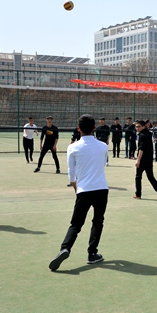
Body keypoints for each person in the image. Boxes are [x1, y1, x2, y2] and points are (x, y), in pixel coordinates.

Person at [48, 114, 108, 271]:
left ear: (78, 129)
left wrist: (77, 189)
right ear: (94, 128)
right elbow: (103, 164)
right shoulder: (103, 146)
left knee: (76, 224)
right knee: (98, 221)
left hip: (84, 190)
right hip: (101, 189)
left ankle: (65, 248)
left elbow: (71, 174)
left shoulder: (72, 147)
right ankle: (92, 253)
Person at [133, 119, 157, 200]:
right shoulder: (149, 133)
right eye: (136, 127)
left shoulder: (142, 135)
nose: (137, 128)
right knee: (150, 177)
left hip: (143, 160)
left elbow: (141, 149)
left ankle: (138, 194)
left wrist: (138, 160)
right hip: (149, 159)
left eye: (138, 126)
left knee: (138, 177)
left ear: (143, 126)